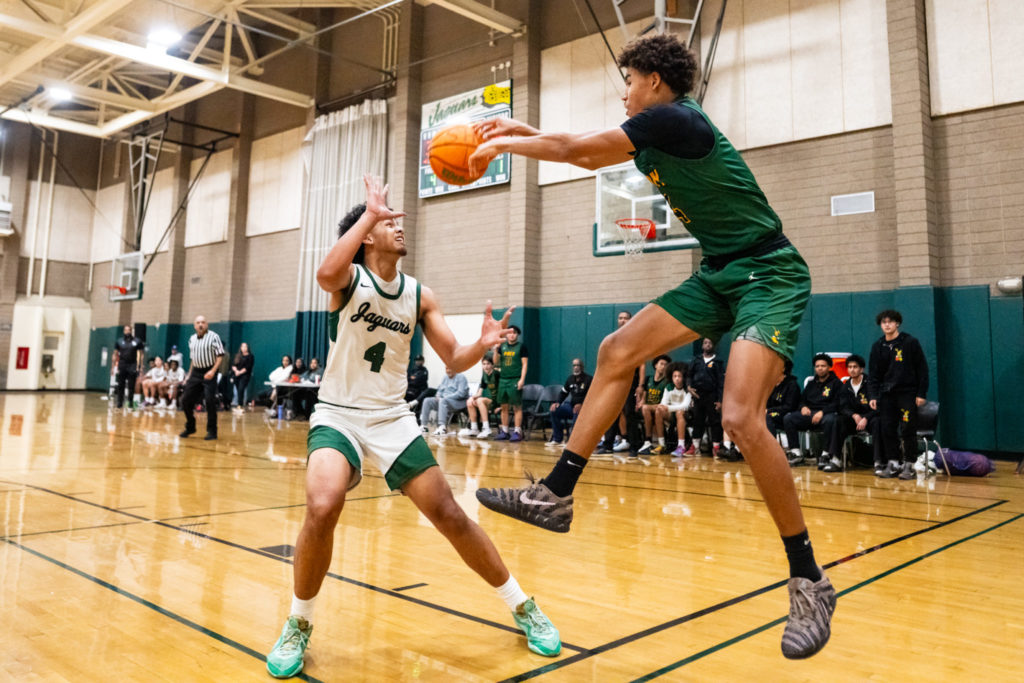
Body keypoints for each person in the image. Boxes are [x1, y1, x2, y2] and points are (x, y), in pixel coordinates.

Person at [469, 32, 835, 659]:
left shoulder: (676, 120)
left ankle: (810, 580)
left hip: (769, 273)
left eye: (630, 81)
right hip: (720, 274)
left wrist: (504, 143)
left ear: (655, 82)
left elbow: (577, 151)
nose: (625, 92)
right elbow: (580, 149)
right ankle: (555, 494)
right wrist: (518, 129)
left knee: (740, 417)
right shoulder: (656, 129)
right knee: (616, 352)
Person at [265, 175, 560, 679]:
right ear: (366, 237)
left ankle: (522, 605)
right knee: (323, 504)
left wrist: (481, 344)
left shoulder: (420, 295)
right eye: (388, 224)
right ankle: (299, 622)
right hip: (338, 413)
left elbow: (453, 358)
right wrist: (369, 213)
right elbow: (325, 273)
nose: (399, 228)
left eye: (397, 222)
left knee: (449, 514)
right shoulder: (349, 281)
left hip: (391, 418)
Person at [868, 310, 929, 480]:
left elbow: (922, 369)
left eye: (890, 321)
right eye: (884, 322)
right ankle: (893, 462)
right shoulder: (878, 346)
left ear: (897, 324)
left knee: (908, 428)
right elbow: (873, 374)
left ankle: (909, 464)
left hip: (907, 393)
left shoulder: (909, 342)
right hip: (886, 395)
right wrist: (873, 395)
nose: (887, 325)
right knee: (887, 428)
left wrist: (921, 393)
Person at [594, 310, 644, 455]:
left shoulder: (636, 340)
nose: (622, 320)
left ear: (631, 320)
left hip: (630, 382)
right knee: (611, 413)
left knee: (630, 414)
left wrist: (640, 385)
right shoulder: (613, 339)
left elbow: (641, 365)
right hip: (615, 382)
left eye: (625, 318)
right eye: (620, 318)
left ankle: (634, 446)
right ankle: (607, 445)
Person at [783, 353, 843, 468]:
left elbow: (838, 403)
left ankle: (826, 455)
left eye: (823, 366)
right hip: (810, 414)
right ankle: (796, 453)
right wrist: (803, 407)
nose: (820, 368)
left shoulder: (836, 383)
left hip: (826, 414)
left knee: (831, 420)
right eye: (817, 366)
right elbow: (801, 400)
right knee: (788, 418)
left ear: (829, 367)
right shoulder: (811, 384)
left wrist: (822, 412)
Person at [826, 354, 878, 473]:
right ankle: (836, 459)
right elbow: (842, 407)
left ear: (861, 369)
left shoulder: (871, 384)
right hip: (854, 420)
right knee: (839, 420)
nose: (852, 370)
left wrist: (865, 418)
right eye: (849, 367)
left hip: (869, 419)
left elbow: (877, 407)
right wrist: (854, 415)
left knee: (878, 422)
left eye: (855, 367)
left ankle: (878, 462)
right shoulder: (846, 386)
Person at [180, 315, 225, 440]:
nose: (200, 324)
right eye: (198, 322)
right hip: (196, 372)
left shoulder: (214, 337)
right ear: (194, 326)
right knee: (185, 400)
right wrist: (189, 375)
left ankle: (212, 431)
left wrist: (213, 371)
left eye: (203, 322)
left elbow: (220, 356)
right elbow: (193, 359)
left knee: (210, 400)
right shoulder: (191, 339)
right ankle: (190, 427)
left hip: (209, 371)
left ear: (207, 324)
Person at [685, 339, 725, 456]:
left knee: (715, 421)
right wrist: (689, 387)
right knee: (697, 421)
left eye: (710, 343)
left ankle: (716, 447)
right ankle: (695, 447)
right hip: (698, 395)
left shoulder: (718, 362)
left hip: (712, 395)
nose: (708, 345)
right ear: (702, 345)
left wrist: (720, 400)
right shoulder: (696, 360)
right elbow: (689, 375)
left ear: (714, 346)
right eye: (705, 343)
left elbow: (721, 383)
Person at [492, 325, 529, 442]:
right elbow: (495, 362)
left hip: (515, 379)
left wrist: (522, 379)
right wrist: (495, 350)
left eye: (514, 333)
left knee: (517, 406)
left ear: (517, 335)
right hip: (503, 379)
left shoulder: (521, 347)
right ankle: (505, 431)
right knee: (504, 406)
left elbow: (524, 364)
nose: (512, 335)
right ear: (506, 335)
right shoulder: (502, 346)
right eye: (510, 333)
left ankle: (517, 431)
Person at [546, 358, 593, 447]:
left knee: (577, 410)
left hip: (584, 409)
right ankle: (557, 439)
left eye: (578, 365)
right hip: (571, 407)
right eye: (574, 365)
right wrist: (557, 402)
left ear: (582, 367)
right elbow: (563, 393)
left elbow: (592, 396)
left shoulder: (589, 379)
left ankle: (571, 442)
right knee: (554, 410)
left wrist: (582, 405)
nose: (576, 367)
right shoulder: (570, 379)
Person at [419, 366, 470, 436]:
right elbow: (440, 390)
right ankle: (423, 426)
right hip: (444, 401)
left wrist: (445, 397)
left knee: (443, 401)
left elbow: (461, 394)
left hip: (458, 402)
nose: (448, 371)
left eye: (450, 368)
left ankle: (442, 427)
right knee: (427, 400)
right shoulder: (445, 377)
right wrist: (438, 395)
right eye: (446, 369)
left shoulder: (461, 377)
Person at [638, 354, 672, 455]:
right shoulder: (648, 379)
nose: (663, 366)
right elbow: (644, 398)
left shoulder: (668, 382)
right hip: (648, 409)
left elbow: (666, 402)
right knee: (644, 408)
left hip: (661, 407)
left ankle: (648, 441)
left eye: (666, 365)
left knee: (647, 408)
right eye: (661, 364)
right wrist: (641, 402)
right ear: (655, 365)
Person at [459, 355, 499, 438]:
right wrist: (472, 397)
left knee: (480, 401)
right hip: (489, 401)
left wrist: (501, 406)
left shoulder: (496, 374)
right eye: (484, 364)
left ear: (492, 365)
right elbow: (479, 393)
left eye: (488, 364)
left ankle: (486, 428)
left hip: (498, 401)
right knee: (470, 401)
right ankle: (474, 428)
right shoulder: (484, 375)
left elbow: (503, 390)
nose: (486, 366)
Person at [659, 366, 692, 456]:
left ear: (684, 377)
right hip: (672, 414)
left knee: (679, 412)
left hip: (687, 415)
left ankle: (681, 446)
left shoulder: (688, 388)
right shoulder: (669, 387)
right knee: (659, 411)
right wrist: (664, 407)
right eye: (675, 376)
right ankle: (661, 444)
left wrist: (668, 408)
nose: (677, 379)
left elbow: (685, 406)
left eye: (679, 376)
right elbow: (663, 403)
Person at [766, 359, 800, 442]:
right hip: (771, 412)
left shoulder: (792, 384)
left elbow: (789, 406)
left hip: (785, 414)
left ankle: (771, 446)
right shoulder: (771, 383)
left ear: (783, 368)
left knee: (767, 417)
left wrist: (769, 410)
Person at [113, 324, 143, 409]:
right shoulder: (119, 341)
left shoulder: (137, 341)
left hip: (132, 365)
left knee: (131, 385)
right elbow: (115, 354)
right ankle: (120, 402)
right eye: (126, 330)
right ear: (124, 331)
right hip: (122, 364)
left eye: (129, 330)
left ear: (131, 331)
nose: (127, 331)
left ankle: (130, 402)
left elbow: (141, 354)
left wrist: (140, 366)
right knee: (121, 385)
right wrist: (113, 366)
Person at [230, 342, 254, 409]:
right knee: (238, 390)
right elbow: (233, 365)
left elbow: (248, 367)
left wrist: (240, 372)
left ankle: (240, 405)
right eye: (242, 347)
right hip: (237, 375)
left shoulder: (250, 356)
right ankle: (239, 403)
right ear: (240, 348)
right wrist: (236, 371)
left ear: (248, 348)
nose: (244, 348)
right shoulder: (237, 356)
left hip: (245, 376)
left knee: (241, 389)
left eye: (245, 347)